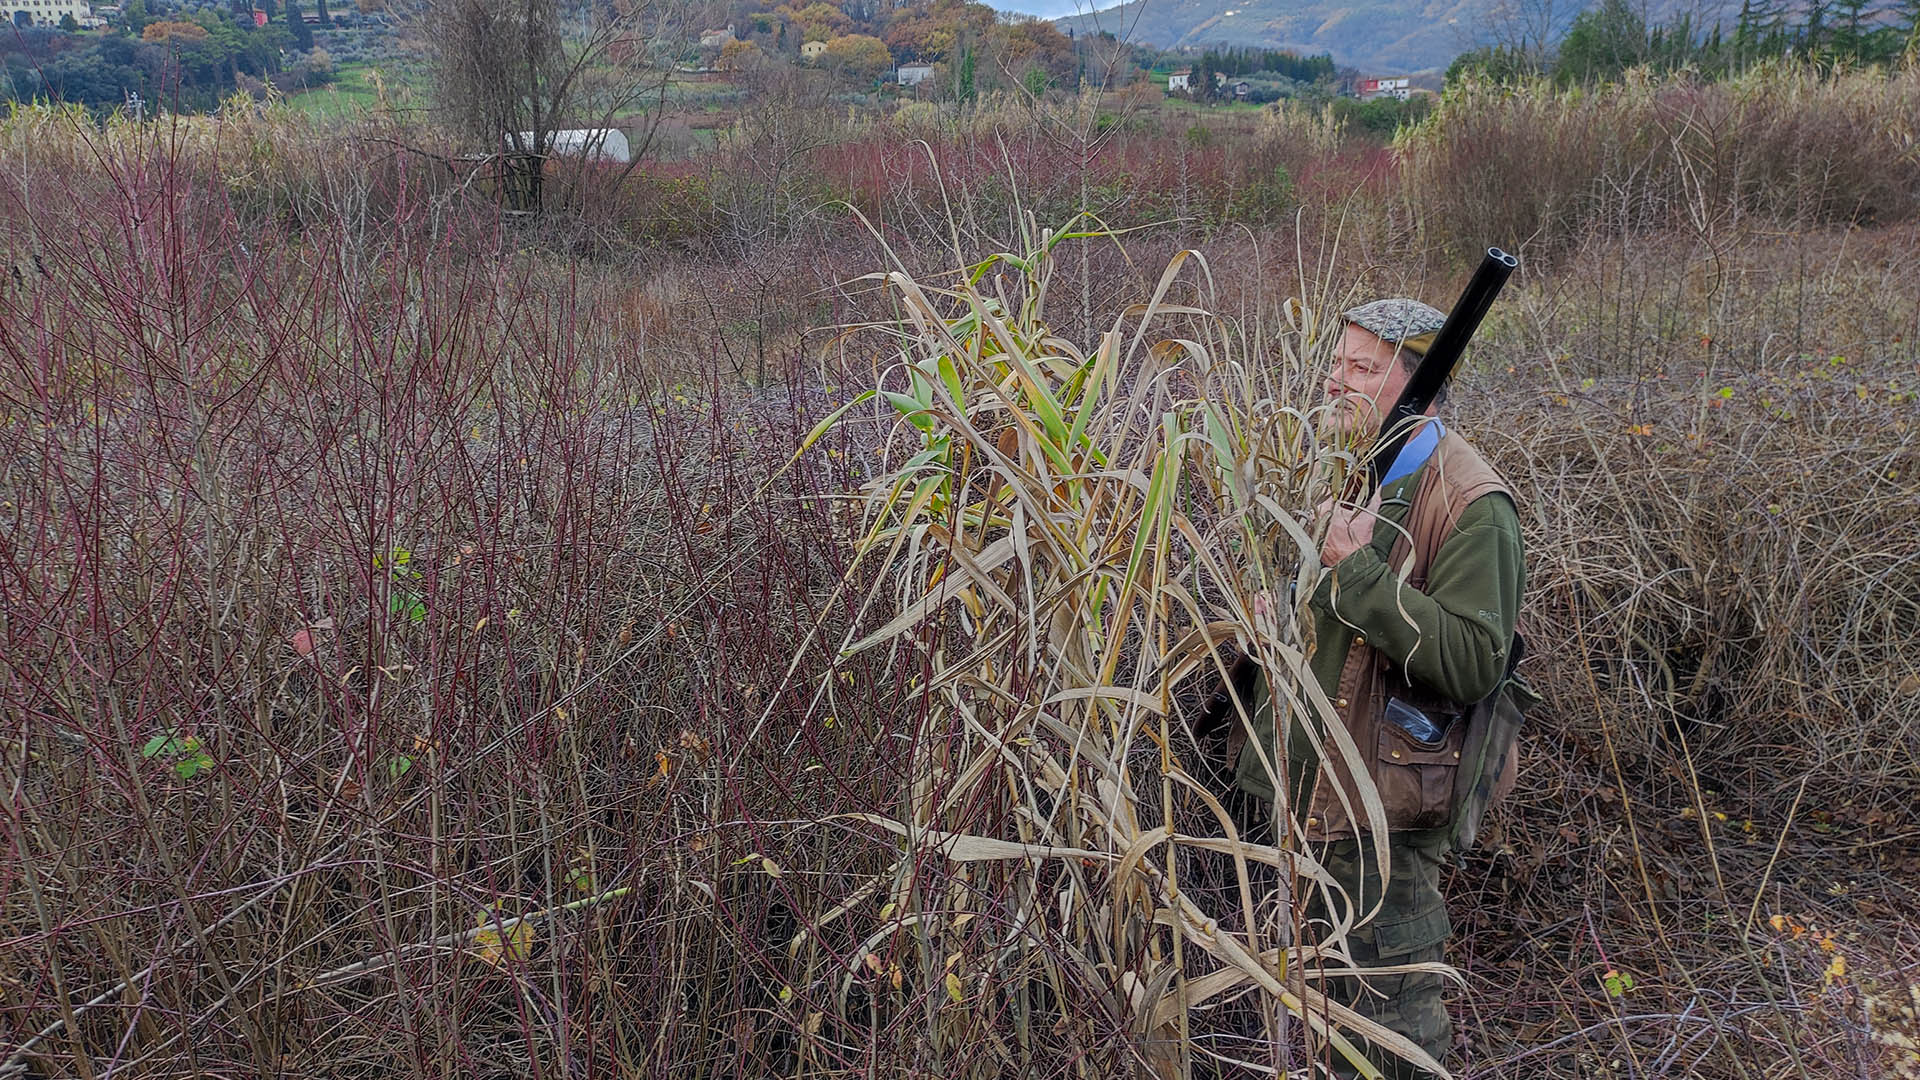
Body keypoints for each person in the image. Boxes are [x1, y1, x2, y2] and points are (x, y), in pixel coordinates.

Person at [1230, 298, 1527, 1078]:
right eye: (1337, 363)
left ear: (1419, 386)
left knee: (1386, 1035)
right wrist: (1273, 619)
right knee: (1308, 1018)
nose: (1335, 382)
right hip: (1300, 804)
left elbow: (1474, 661)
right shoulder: (1343, 466)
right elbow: (1333, 629)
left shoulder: (1470, 504)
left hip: (1378, 826)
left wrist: (1355, 572)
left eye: (1362, 368)